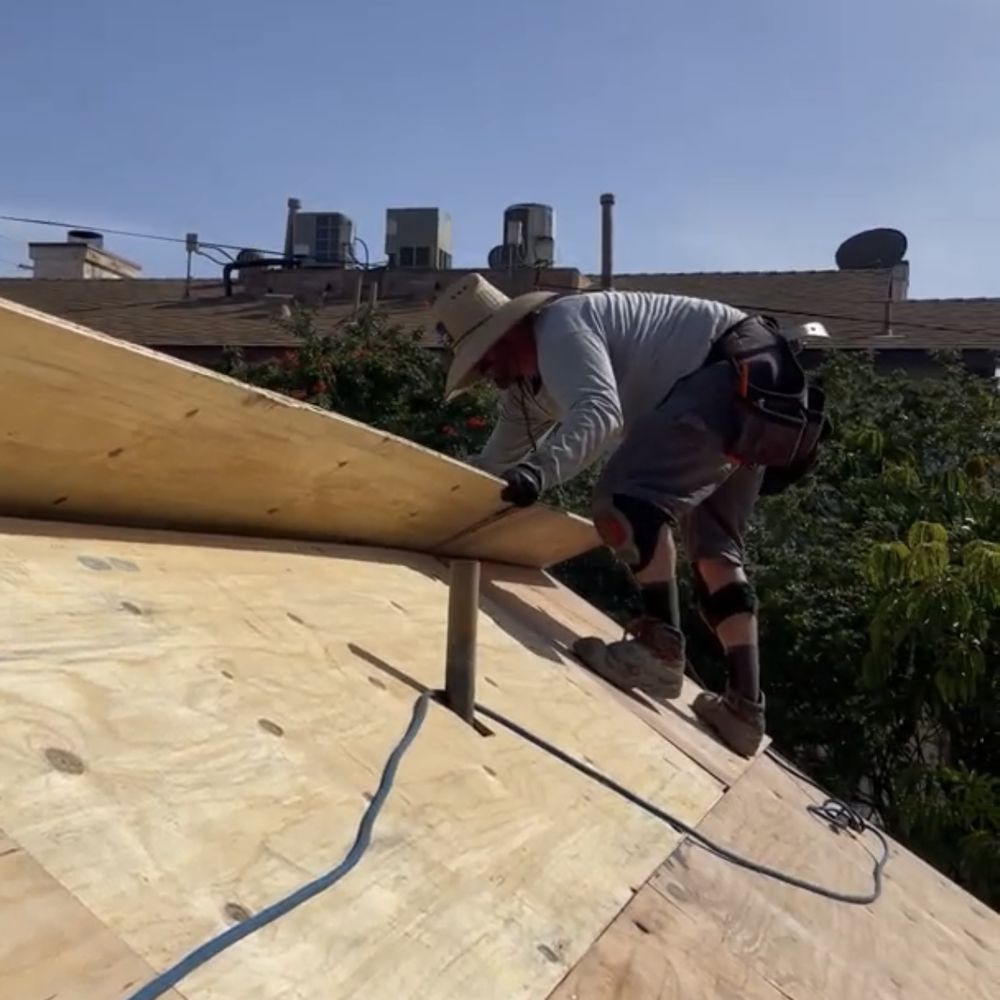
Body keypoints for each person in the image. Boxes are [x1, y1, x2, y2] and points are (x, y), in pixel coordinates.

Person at [430, 273, 829, 757]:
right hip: (761, 387)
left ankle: (659, 652)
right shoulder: (527, 390)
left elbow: (600, 413)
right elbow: (494, 465)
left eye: (485, 360)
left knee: (624, 501)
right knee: (715, 549)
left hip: (724, 376)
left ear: (509, 333)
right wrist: (440, 494)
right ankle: (744, 710)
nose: (488, 376)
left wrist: (537, 474)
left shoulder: (558, 328)